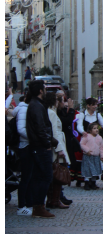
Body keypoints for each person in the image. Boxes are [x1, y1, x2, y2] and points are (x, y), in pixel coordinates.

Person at [26, 80, 57, 218]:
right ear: (40, 91)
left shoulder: (37, 105)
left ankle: (38, 206)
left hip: (40, 145)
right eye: (44, 88)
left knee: (41, 177)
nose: (45, 91)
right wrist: (47, 144)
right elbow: (40, 128)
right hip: (40, 147)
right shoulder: (36, 106)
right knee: (45, 176)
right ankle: (38, 206)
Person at [44, 92, 71, 209]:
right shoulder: (51, 113)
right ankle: (55, 200)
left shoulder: (49, 112)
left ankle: (53, 199)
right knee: (58, 175)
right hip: (57, 147)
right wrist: (59, 149)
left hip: (56, 145)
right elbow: (54, 132)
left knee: (54, 174)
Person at [15, 91, 32, 216]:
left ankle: (28, 203)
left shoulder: (26, 109)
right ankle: (22, 206)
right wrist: (33, 138)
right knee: (25, 178)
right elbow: (21, 129)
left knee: (29, 177)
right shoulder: (23, 110)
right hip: (25, 145)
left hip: (28, 145)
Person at [80, 122, 103, 191]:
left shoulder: (99, 138)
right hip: (88, 156)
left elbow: (101, 148)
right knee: (87, 170)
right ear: (90, 130)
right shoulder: (87, 136)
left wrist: (102, 155)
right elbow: (82, 144)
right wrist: (87, 150)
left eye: (97, 128)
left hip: (96, 157)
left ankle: (93, 183)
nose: (96, 129)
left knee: (95, 170)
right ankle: (87, 183)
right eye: (94, 128)